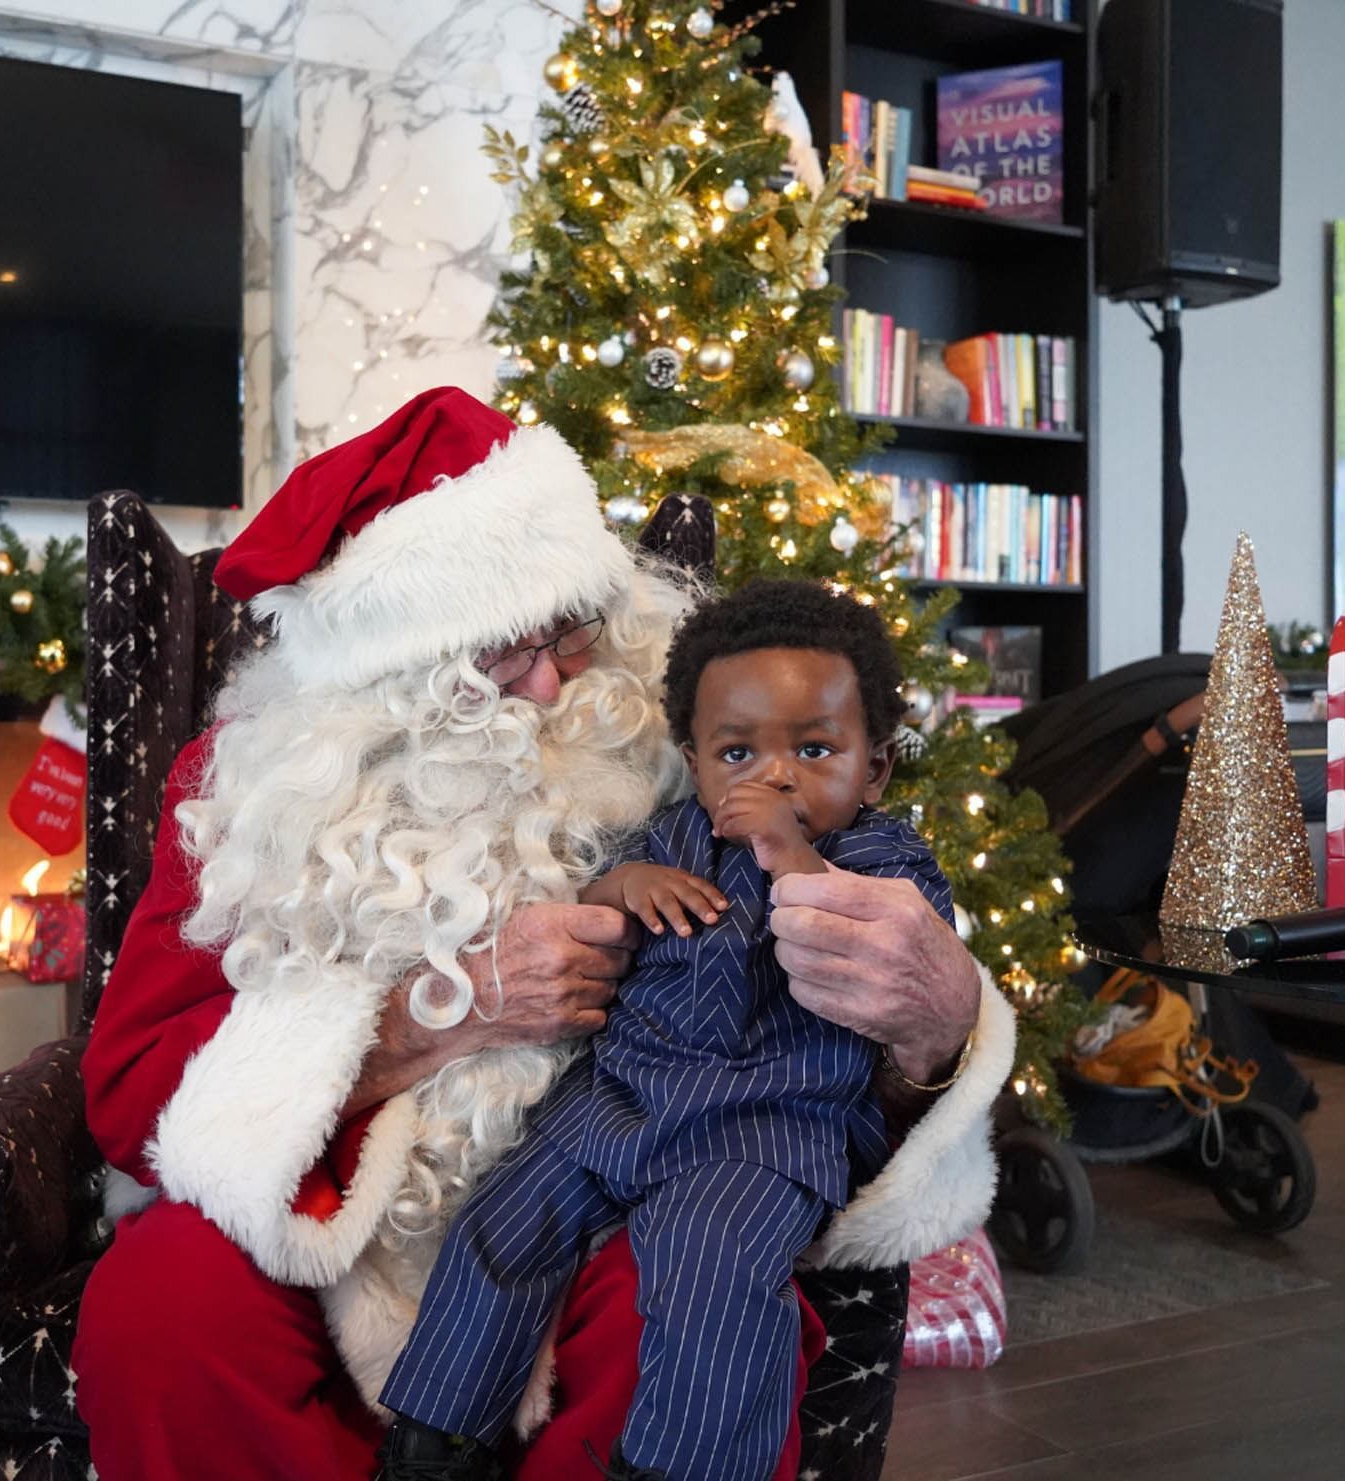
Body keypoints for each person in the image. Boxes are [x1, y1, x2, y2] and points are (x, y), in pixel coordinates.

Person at [71, 387, 1016, 1480]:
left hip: (634, 1175)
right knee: (160, 1312)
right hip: (344, 1219)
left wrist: (937, 1017)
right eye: (497, 658)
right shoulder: (256, 789)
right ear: (383, 675)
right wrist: (441, 1014)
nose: (556, 681)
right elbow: (131, 1090)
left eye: (571, 630)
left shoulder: (693, 726)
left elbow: (856, 921)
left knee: (695, 1316)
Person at [378, 581, 959, 1481]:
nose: (774, 777)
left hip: (765, 1127)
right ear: (695, 761)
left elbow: (861, 942)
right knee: (503, 1222)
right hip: (620, 1096)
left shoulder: (880, 858)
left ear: (875, 767)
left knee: (711, 1264)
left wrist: (787, 849)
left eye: (813, 749)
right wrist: (624, 886)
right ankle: (438, 1438)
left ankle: (680, 1465)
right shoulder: (675, 834)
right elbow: (593, 898)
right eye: (738, 752)